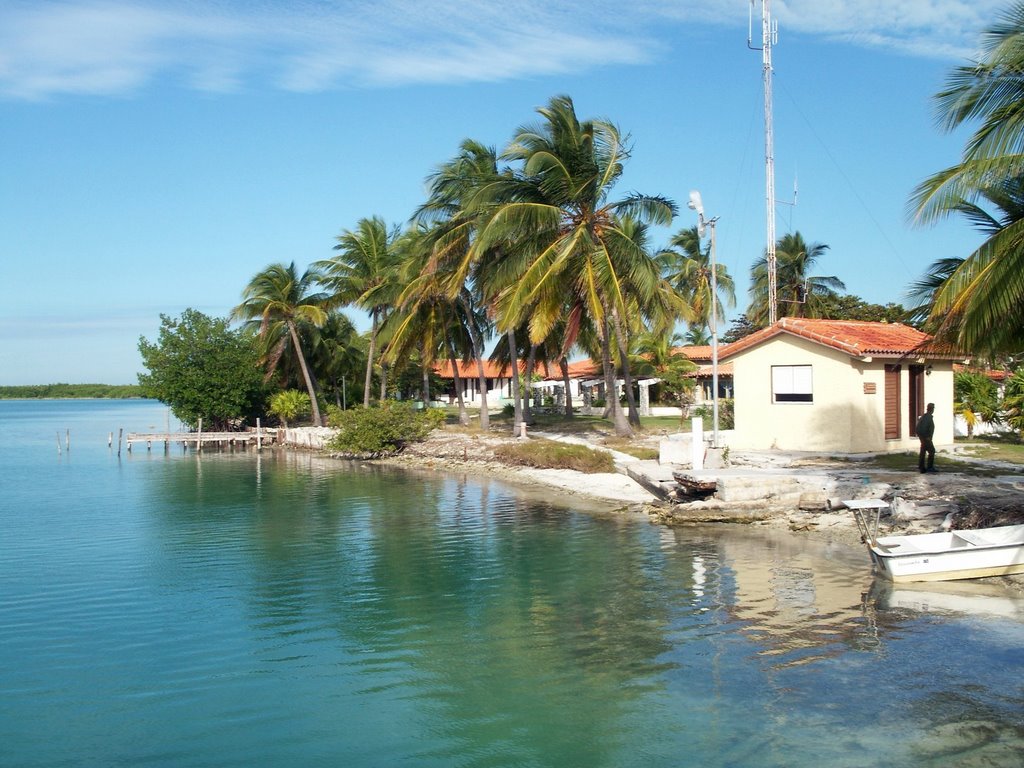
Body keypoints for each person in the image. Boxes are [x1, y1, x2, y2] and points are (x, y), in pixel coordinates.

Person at [917, 402, 936, 473]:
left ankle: (921, 467)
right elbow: (923, 428)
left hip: (924, 437)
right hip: (926, 438)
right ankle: (929, 467)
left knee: (923, 451)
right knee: (932, 451)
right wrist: (926, 436)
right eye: (933, 408)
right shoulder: (927, 417)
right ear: (931, 409)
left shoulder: (925, 416)